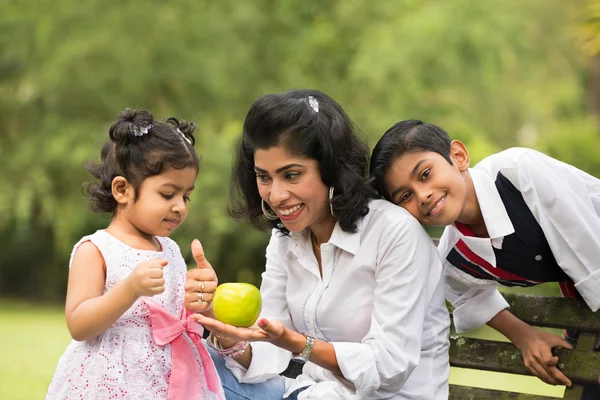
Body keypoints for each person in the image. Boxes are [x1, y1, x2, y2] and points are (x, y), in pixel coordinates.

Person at [185, 90, 450, 399]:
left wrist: (299, 344)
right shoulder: (286, 239)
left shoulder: (394, 233)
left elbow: (387, 367)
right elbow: (268, 350)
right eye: (264, 177)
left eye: (292, 175)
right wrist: (220, 327)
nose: (276, 195)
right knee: (184, 363)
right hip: (307, 391)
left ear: (331, 167)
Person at [370, 119, 600, 391]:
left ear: (458, 156)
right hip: (585, 314)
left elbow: (591, 252)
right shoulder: (454, 258)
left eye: (425, 174)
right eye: (405, 195)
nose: (423, 195)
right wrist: (523, 336)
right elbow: (465, 294)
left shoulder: (518, 173)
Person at [46, 108, 225, 400]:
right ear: (122, 190)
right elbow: (78, 325)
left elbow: (174, 314)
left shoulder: (171, 250)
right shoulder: (96, 250)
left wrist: (199, 301)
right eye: (168, 194)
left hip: (168, 374)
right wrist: (129, 289)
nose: (180, 206)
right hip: (113, 380)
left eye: (186, 196)